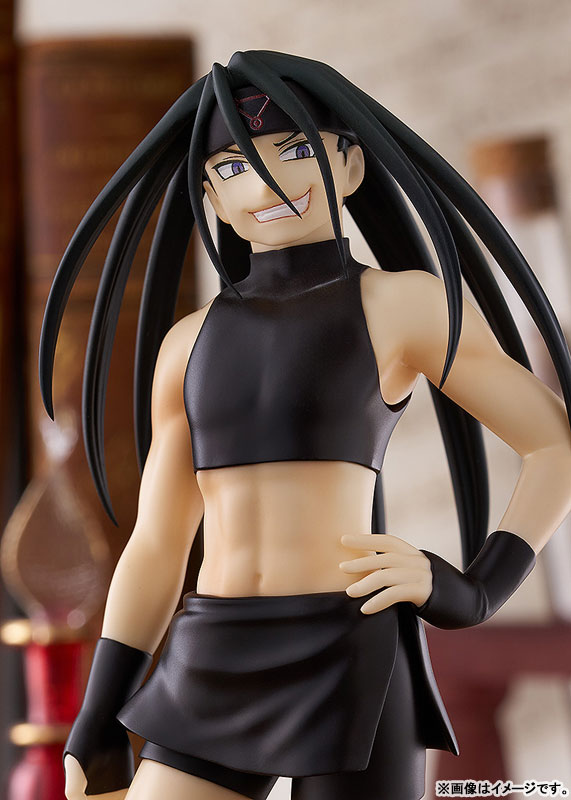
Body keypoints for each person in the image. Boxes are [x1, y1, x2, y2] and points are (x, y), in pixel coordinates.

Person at [39, 51, 571, 800]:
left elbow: (553, 443)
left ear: (348, 165)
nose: (266, 183)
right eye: (233, 167)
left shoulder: (400, 306)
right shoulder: (187, 345)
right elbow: (158, 543)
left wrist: (474, 588)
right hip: (213, 648)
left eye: (295, 151)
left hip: (352, 647)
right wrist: (100, 709)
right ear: (210, 196)